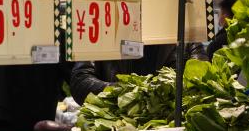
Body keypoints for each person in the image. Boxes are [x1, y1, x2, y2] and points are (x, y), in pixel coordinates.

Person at [69, 43, 207, 106]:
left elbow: (201, 81)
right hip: (113, 130)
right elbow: (80, 82)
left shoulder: (186, 38)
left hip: (171, 130)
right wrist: (128, 91)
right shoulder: (102, 33)